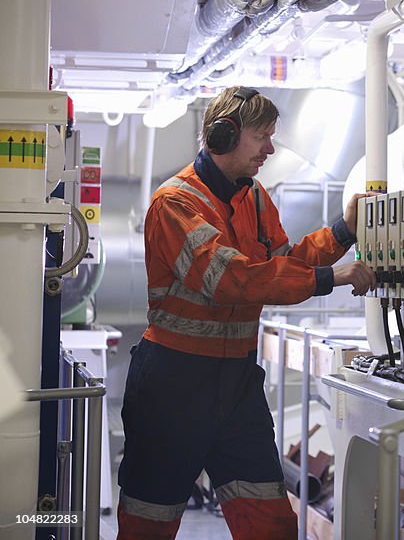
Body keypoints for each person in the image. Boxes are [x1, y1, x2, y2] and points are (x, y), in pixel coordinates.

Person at [117, 86, 374, 540]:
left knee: (270, 523)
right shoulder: (175, 204)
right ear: (224, 135)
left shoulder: (253, 197)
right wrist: (331, 278)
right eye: (262, 137)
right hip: (173, 388)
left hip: (235, 386)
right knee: (148, 525)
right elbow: (230, 279)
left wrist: (343, 231)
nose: (270, 149)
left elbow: (284, 262)